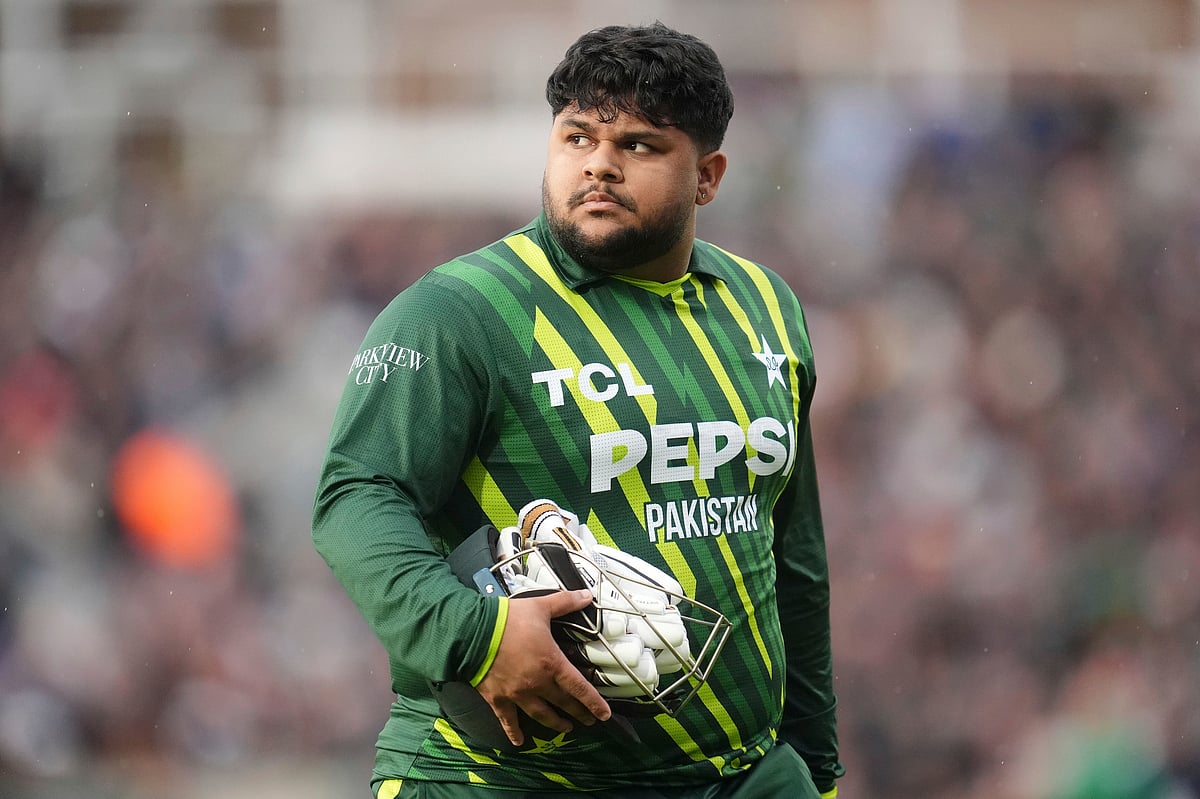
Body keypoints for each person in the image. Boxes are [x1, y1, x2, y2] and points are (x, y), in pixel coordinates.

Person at [312, 21, 844, 799]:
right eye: (577, 136)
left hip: (744, 777)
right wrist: (477, 637)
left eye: (639, 145)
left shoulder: (768, 307)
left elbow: (792, 552)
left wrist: (814, 759)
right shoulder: (460, 311)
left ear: (708, 175)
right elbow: (355, 498)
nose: (599, 163)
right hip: (496, 779)